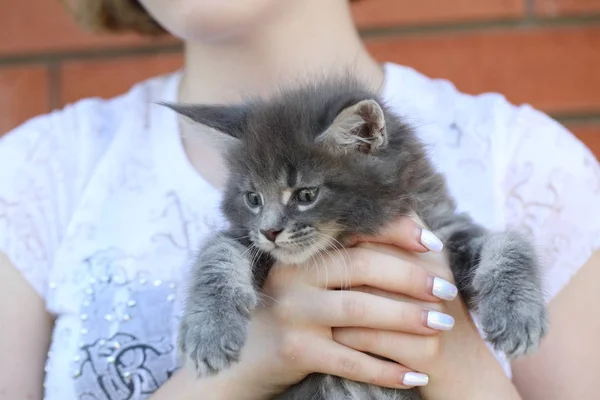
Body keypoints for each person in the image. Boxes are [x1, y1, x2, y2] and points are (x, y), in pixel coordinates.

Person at [1, 0, 599, 399]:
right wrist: (234, 372)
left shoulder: (530, 165)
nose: (272, 228)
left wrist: (455, 354)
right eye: (256, 200)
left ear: (368, 137)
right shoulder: (37, 172)